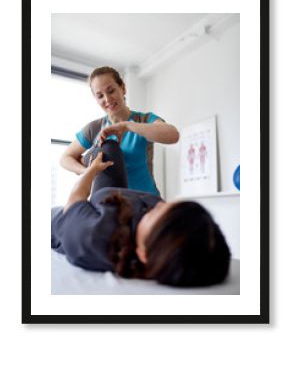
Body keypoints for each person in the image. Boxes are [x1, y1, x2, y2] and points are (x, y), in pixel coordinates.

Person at [52, 140, 231, 287]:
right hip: (113, 201)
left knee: (99, 154)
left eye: (159, 212)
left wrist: (91, 170)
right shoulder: (158, 224)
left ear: (144, 253)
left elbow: (76, 198)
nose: (160, 205)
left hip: (67, 215)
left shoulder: (93, 237)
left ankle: (81, 159)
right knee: (109, 146)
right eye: (169, 208)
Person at [60, 66, 180, 196]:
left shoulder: (143, 120)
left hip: (146, 204)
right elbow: (65, 158)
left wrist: (127, 126)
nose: (107, 99)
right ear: (95, 99)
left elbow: (173, 135)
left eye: (111, 91)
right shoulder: (94, 128)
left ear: (123, 88)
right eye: (100, 96)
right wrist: (87, 172)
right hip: (112, 208)